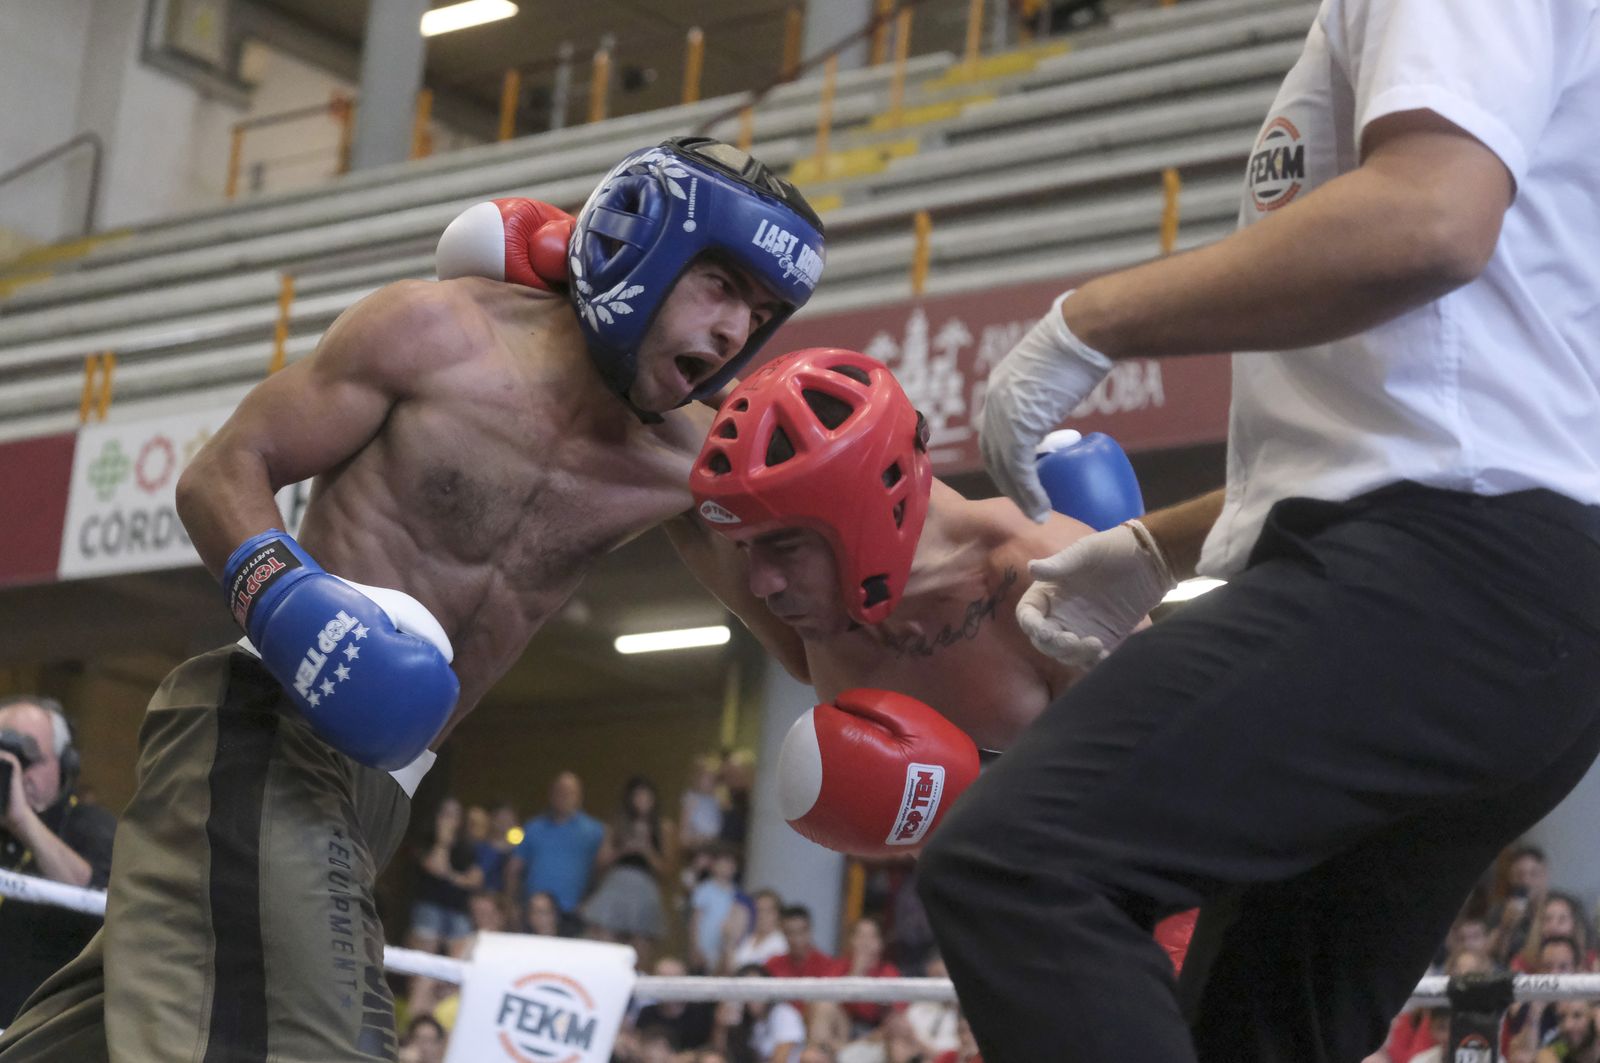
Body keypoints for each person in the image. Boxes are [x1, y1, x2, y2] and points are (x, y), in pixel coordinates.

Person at [0, 135, 824, 1063]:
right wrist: (292, 603)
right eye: (719, 286)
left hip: (376, 797)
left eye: (759, 314)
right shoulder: (437, 334)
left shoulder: (686, 462)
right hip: (267, 726)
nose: (731, 333)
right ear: (647, 246)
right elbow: (222, 471)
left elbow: (803, 639)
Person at [912, 1, 1600, 1059]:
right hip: (1516, 589)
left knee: (1018, 863)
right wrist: (1158, 547)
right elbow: (1454, 395)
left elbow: (1427, 219)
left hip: (1453, 564)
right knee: (1255, 1034)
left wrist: (1091, 319)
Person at [677, 347, 1194, 963]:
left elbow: (1179, 800)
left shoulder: (1036, 578)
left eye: (784, 546)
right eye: (745, 548)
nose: (759, 584)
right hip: (1014, 925)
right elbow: (648, 430)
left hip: (1168, 898)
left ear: (861, 514)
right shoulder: (811, 613)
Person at [0, 697, 115, 1026]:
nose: (16, 772)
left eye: (28, 757)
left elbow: (93, 889)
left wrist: (21, 820)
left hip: (37, 1033)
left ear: (65, 764)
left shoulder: (88, 825)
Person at [582, 775, 672, 967]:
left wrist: (646, 849)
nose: (642, 801)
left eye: (646, 797)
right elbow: (600, 862)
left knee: (641, 947)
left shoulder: (663, 827)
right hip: (617, 885)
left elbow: (667, 871)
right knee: (606, 941)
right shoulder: (616, 825)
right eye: (638, 796)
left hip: (645, 889)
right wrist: (625, 848)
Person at [505, 771, 605, 934]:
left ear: (579, 796)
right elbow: (513, 869)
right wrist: (512, 905)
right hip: (534, 915)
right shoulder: (533, 827)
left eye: (569, 793)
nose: (564, 796)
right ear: (551, 794)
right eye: (560, 791)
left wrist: (591, 903)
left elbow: (604, 872)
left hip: (573, 915)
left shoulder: (594, 832)